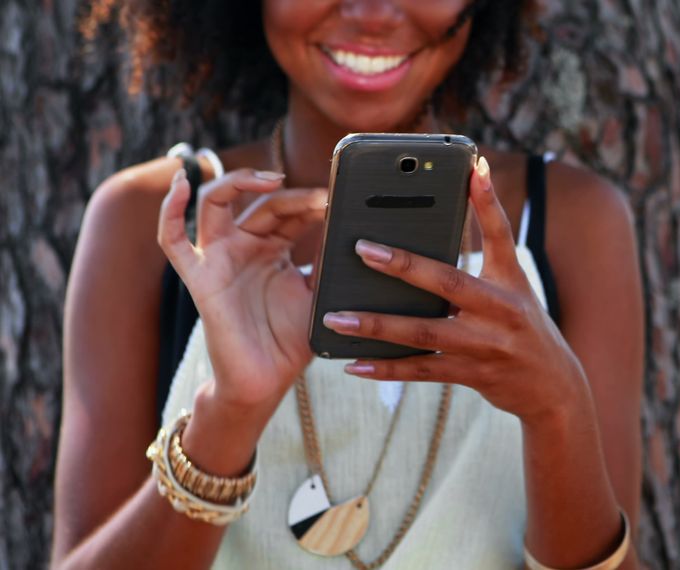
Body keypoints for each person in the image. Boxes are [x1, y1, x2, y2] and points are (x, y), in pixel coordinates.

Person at [52, 1, 644, 569]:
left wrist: (558, 408)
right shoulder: (155, 221)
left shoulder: (572, 220)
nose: (372, 12)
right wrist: (229, 416)